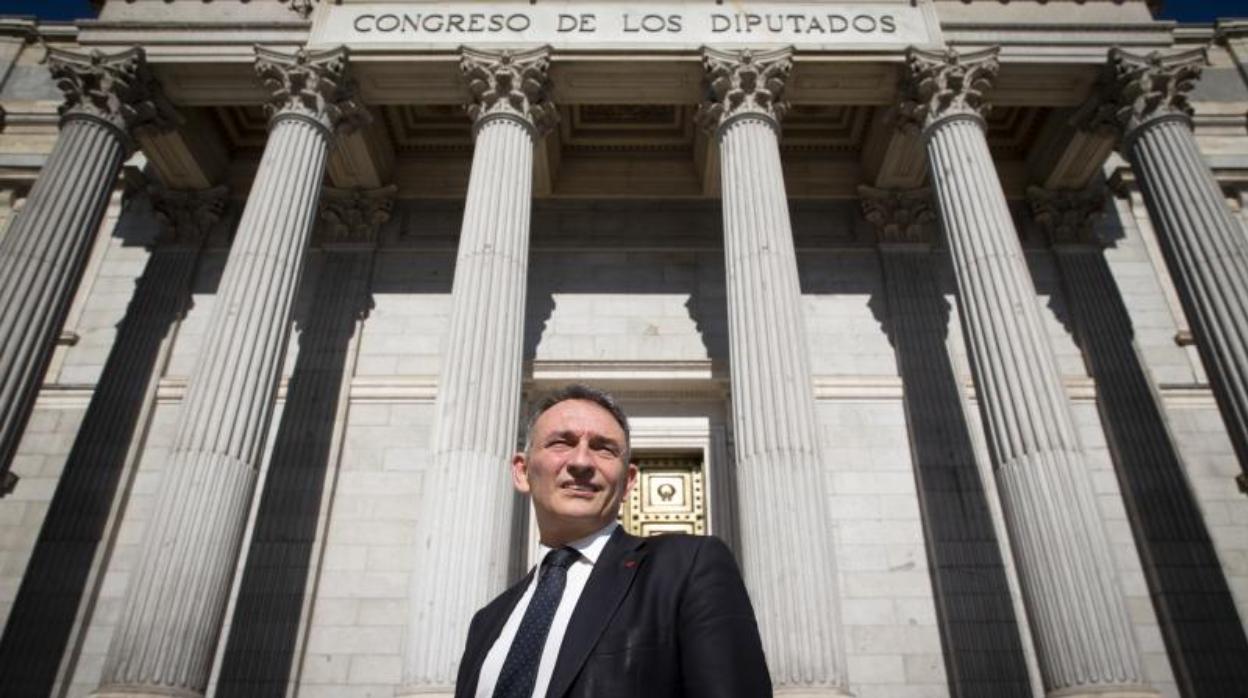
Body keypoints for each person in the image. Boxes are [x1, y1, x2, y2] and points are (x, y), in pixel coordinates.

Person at [454, 384, 772, 698]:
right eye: (561, 443)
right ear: (522, 472)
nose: (582, 462)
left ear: (628, 482)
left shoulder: (686, 568)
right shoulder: (486, 622)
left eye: (604, 448)